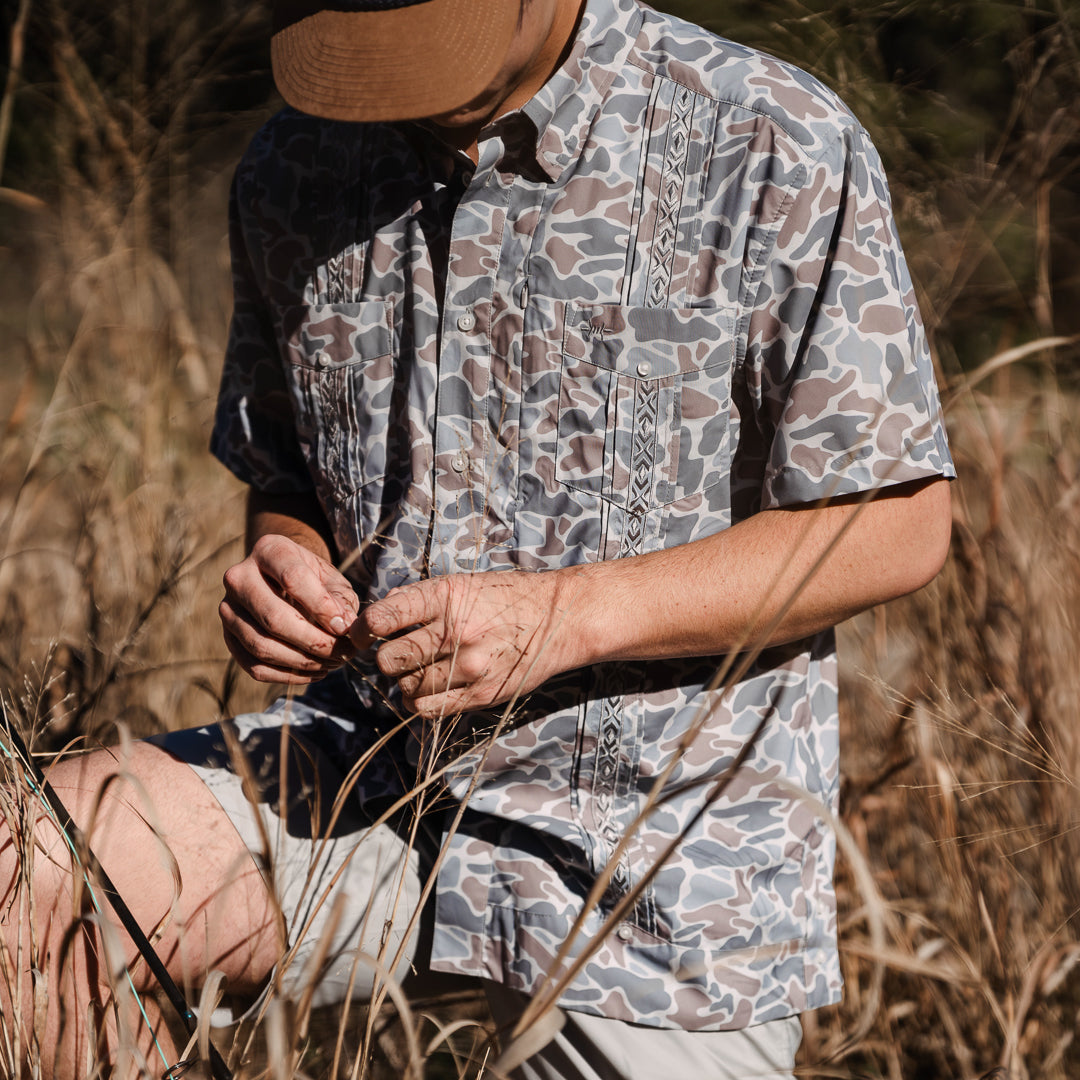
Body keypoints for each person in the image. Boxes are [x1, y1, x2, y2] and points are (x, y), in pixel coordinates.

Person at [0, 0, 955, 1077]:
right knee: (26, 876)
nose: (396, 88)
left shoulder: (771, 136)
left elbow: (898, 522)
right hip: (365, 774)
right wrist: (285, 565)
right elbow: (289, 479)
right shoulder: (293, 164)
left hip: (656, 861)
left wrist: (570, 618)